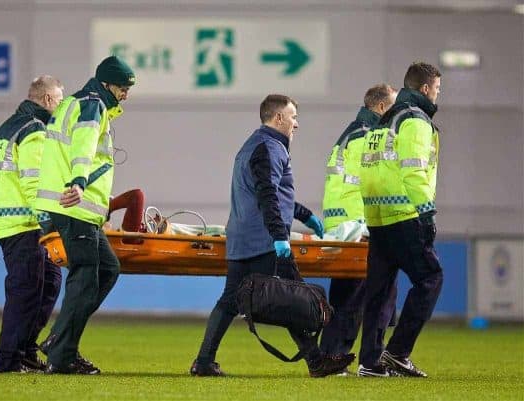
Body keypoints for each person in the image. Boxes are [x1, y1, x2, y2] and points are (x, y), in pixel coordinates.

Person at [190, 94, 355, 378]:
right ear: (278, 118)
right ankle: (316, 361)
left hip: (242, 237)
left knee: (230, 300)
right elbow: (268, 195)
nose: (297, 124)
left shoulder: (254, 145)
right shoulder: (270, 147)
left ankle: (204, 361)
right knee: (294, 298)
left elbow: (271, 192)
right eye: (293, 117)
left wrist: (304, 216)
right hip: (264, 240)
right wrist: (280, 236)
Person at [34, 56, 135, 374]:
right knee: (86, 277)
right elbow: (84, 147)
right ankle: (63, 356)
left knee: (107, 269)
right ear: (106, 85)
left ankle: (59, 341)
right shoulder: (93, 106)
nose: (125, 94)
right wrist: (78, 182)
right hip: (74, 204)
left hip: (77, 208)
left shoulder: (73, 104)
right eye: (122, 88)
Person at [357, 62, 443, 377]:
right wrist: (426, 212)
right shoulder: (416, 121)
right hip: (406, 215)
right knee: (430, 279)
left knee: (379, 292)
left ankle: (369, 362)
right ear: (424, 89)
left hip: (378, 218)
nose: (437, 95)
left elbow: (368, 171)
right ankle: (397, 352)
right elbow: (413, 169)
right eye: (436, 89)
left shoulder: (383, 122)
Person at [0, 75, 64, 373]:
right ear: (48, 100)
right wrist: (47, 222)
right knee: (26, 290)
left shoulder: (2, 130)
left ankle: (24, 351)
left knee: (49, 282)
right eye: (60, 101)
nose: (61, 107)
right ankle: (9, 360)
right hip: (26, 223)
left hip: (7, 223)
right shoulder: (34, 130)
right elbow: (33, 182)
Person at [319, 85, 399, 369]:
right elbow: (374, 182)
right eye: (393, 107)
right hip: (358, 223)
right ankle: (355, 357)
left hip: (341, 221)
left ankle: (331, 356)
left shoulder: (350, 134)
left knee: (346, 294)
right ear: (380, 108)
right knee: (362, 293)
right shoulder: (368, 137)